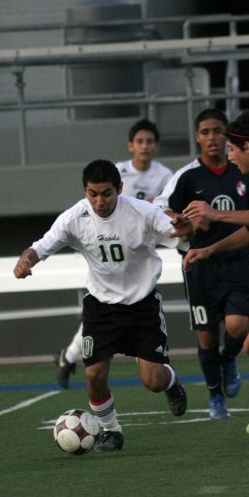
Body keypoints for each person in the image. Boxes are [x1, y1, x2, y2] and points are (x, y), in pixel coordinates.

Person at [13, 159, 190, 452]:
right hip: (101, 307)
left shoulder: (141, 212)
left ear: (119, 188)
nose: (99, 201)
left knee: (153, 381)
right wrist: (25, 261)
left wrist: (185, 226)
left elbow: (174, 228)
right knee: (93, 375)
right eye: (92, 193)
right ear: (85, 191)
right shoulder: (74, 217)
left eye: (106, 193)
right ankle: (112, 431)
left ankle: (172, 382)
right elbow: (41, 246)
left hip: (142, 305)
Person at [153, 108, 249, 420]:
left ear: (229, 137)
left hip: (236, 262)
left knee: (239, 326)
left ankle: (227, 361)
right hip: (200, 266)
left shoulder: (248, 172)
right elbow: (158, 209)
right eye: (205, 132)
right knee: (207, 334)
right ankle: (214, 395)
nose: (212, 138)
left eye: (218, 131)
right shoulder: (186, 176)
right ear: (197, 137)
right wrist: (182, 220)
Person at [182, 110, 249, 446]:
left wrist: (215, 213)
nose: (228, 155)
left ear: (246, 147)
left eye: (231, 147)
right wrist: (211, 249)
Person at [55, 119, 174, 388]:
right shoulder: (116, 172)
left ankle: (150, 365)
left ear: (156, 146)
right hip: (108, 245)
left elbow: (167, 210)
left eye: (150, 141)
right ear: (130, 145)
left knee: (126, 301)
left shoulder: (165, 175)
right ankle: (70, 358)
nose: (145, 147)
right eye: (140, 141)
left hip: (139, 247)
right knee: (104, 302)